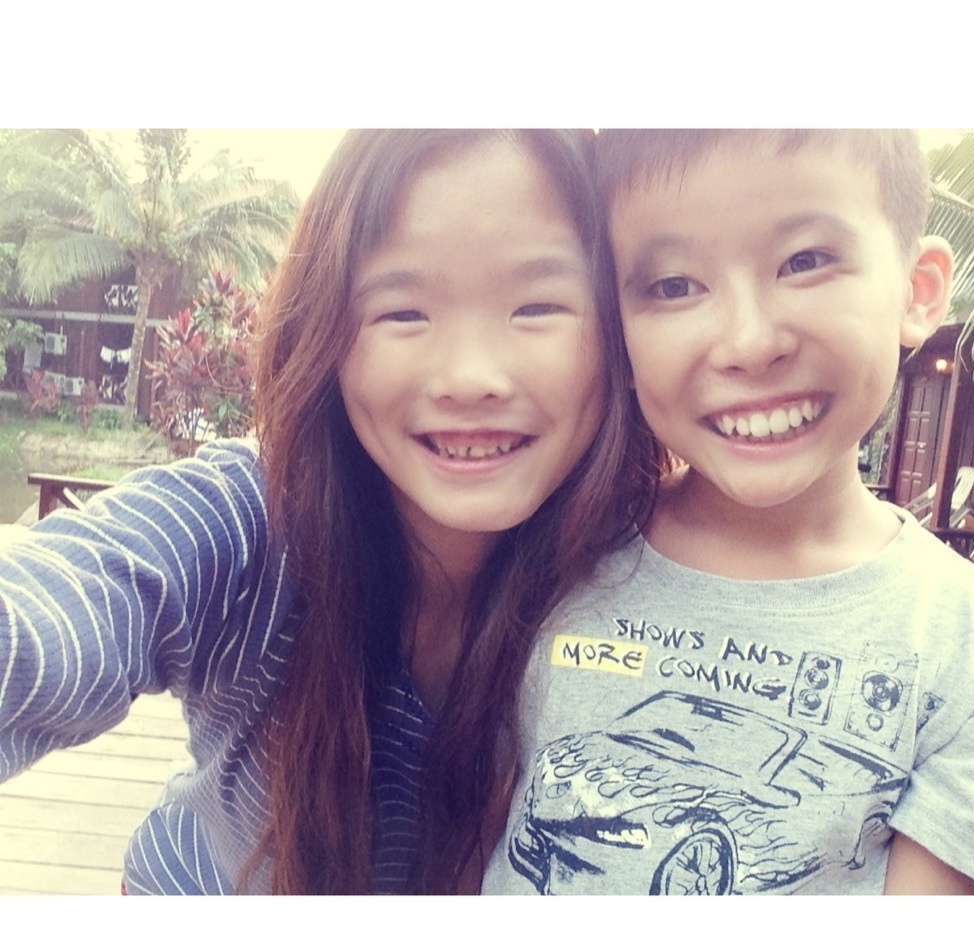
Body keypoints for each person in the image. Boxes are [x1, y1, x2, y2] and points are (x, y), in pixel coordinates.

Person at [0, 129, 657, 894]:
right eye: (403, 312)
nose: (470, 377)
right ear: (325, 338)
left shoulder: (654, 581)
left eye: (537, 306)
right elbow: (67, 602)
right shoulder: (253, 519)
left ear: (619, 331)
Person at [481, 129, 974, 896]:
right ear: (617, 330)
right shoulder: (551, 554)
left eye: (805, 261)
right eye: (674, 285)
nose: (747, 342)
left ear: (918, 289)